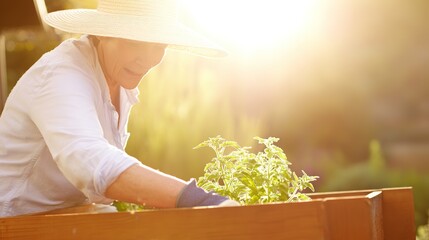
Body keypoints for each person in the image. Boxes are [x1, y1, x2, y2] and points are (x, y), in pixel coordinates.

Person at [0, 0, 238, 217]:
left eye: (158, 46)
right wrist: (198, 199)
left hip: (69, 217)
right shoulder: (61, 74)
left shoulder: (118, 79)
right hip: (13, 221)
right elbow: (90, 163)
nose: (146, 60)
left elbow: (100, 190)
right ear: (101, 33)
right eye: (134, 42)